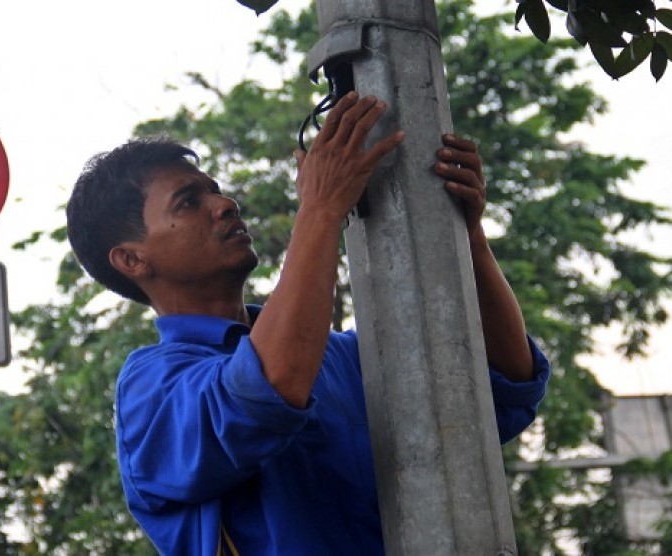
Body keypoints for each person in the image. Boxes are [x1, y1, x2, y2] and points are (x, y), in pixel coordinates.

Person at [66, 92, 550, 555]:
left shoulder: (340, 355)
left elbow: (502, 385)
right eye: (188, 202)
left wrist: (467, 238)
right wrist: (320, 209)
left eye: (214, 190)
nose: (225, 204)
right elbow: (263, 392)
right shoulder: (150, 392)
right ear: (132, 259)